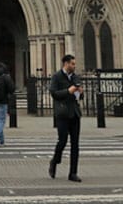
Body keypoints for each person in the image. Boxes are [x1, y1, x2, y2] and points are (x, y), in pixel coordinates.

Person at [48, 53, 82, 182]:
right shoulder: (56, 77)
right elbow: (54, 93)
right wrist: (68, 91)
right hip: (62, 114)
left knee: (75, 145)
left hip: (74, 113)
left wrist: (80, 93)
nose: (74, 66)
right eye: (72, 64)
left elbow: (78, 94)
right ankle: (54, 161)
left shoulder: (75, 77)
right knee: (62, 141)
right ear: (66, 64)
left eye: (74, 64)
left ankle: (73, 173)